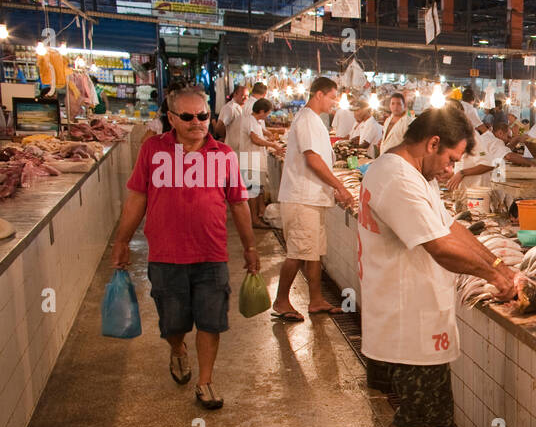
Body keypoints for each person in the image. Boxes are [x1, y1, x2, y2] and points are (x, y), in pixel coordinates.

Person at [360, 107, 527, 427]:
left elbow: (449, 226)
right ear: (432, 143)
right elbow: (440, 247)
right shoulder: (396, 179)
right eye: (450, 158)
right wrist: (491, 276)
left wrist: (500, 265)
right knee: (417, 412)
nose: (450, 168)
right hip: (404, 318)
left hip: (419, 315)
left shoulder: (415, 173)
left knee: (432, 407)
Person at [109, 86, 260, 410]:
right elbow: (137, 197)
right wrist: (122, 241)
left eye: (203, 115)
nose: (197, 122)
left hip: (212, 254)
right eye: (188, 116)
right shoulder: (153, 150)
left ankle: (205, 382)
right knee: (173, 323)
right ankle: (177, 349)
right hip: (166, 256)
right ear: (172, 118)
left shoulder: (224, 155)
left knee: (211, 321)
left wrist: (250, 247)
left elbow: (238, 203)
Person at [272, 77, 353, 322]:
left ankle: (316, 299)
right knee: (298, 251)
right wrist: (340, 186)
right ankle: (281, 300)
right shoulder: (307, 119)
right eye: (331, 97)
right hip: (301, 198)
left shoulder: (315, 121)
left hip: (312, 197)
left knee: (313, 251)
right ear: (319, 94)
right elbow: (312, 159)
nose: (334, 103)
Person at [445, 113, 536, 191]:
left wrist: (515, 140)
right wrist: (531, 164)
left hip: (467, 186)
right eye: (508, 137)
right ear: (500, 133)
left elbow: (503, 149)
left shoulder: (487, 137)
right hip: (477, 187)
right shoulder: (496, 142)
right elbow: (508, 156)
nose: (508, 140)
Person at [231, 97, 277, 228]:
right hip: (250, 160)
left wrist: (268, 133)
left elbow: (259, 133)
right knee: (252, 192)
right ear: (261, 111)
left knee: (258, 191)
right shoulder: (249, 120)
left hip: (255, 160)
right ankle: (254, 220)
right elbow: (255, 139)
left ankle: (259, 214)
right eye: (267, 113)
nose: (267, 115)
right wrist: (272, 144)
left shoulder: (255, 121)